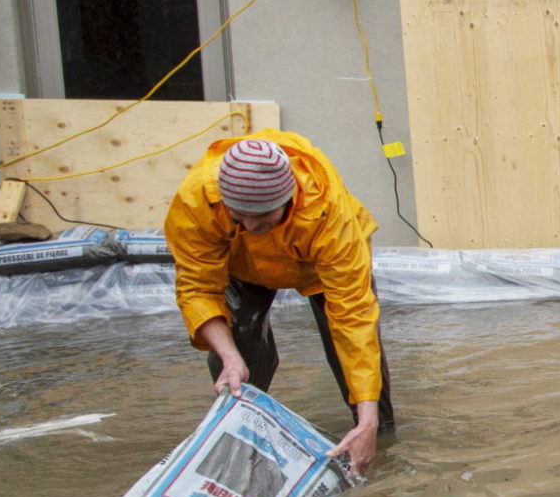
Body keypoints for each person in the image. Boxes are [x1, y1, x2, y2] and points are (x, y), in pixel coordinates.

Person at [165, 133, 394, 473]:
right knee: (239, 363)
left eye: (263, 215)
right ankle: (241, 441)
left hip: (315, 267)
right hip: (239, 264)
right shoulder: (196, 200)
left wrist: (368, 419)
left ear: (288, 199)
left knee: (355, 366)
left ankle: (375, 433)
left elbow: (353, 318)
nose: (252, 225)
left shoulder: (329, 214)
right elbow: (197, 287)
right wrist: (229, 356)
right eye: (239, 215)